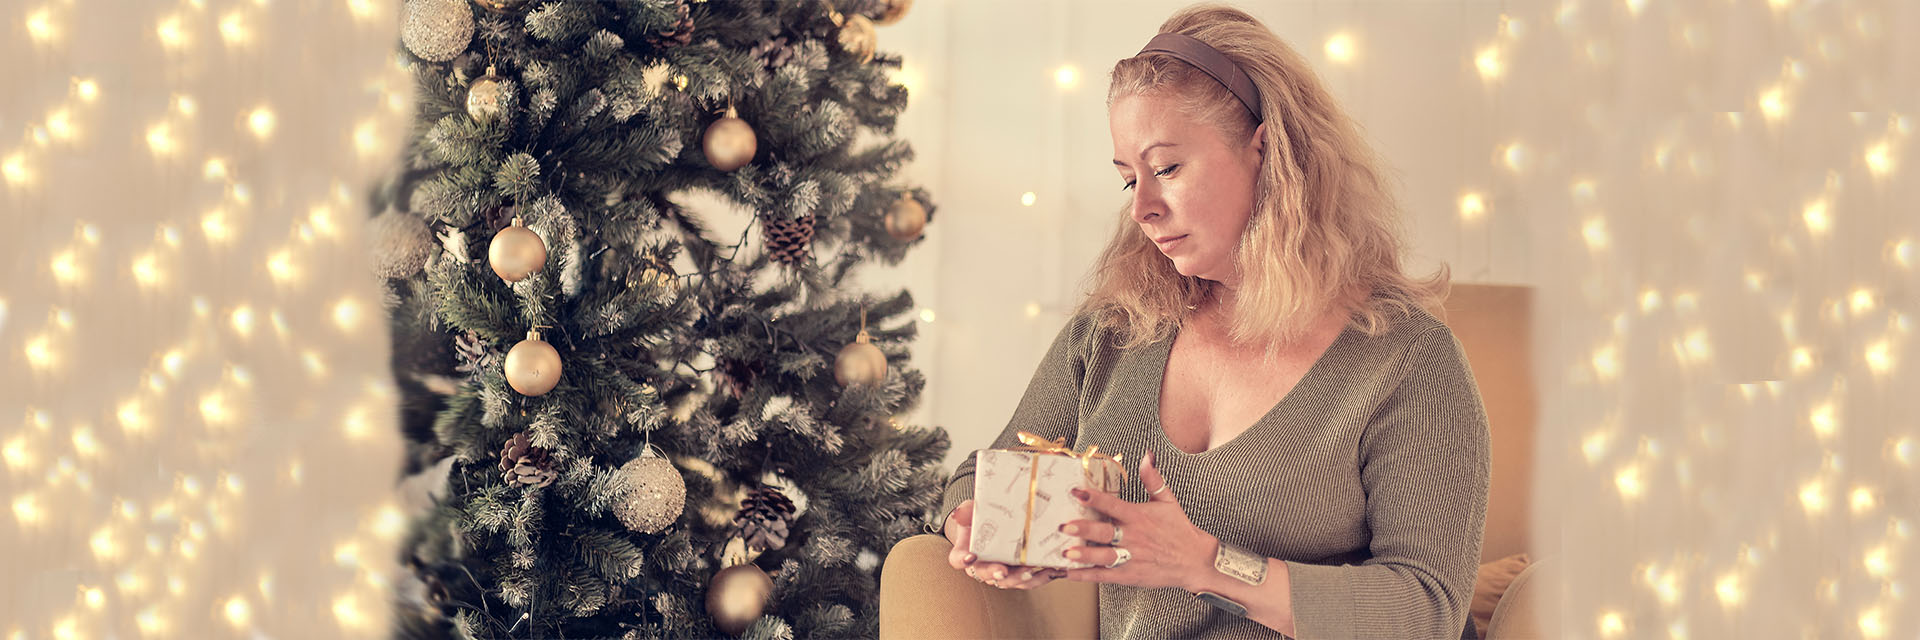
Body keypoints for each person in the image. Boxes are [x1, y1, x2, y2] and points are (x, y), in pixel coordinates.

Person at [937, 4, 1491, 638]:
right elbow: (975, 481)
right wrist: (986, 525)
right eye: (1128, 180)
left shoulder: (1406, 357)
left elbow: (1427, 609)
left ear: (1265, 150)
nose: (1143, 207)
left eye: (1167, 168)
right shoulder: (1116, 331)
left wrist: (1206, 566)